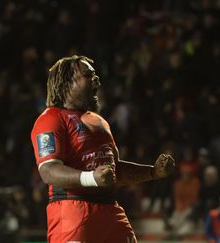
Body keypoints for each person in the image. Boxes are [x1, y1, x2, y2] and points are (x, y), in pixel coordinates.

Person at [30, 55, 176, 243]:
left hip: (109, 209)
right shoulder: (50, 119)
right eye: (88, 75)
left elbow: (113, 172)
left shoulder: (99, 121)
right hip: (72, 210)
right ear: (68, 83)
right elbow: (48, 171)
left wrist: (153, 172)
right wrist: (92, 178)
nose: (96, 78)